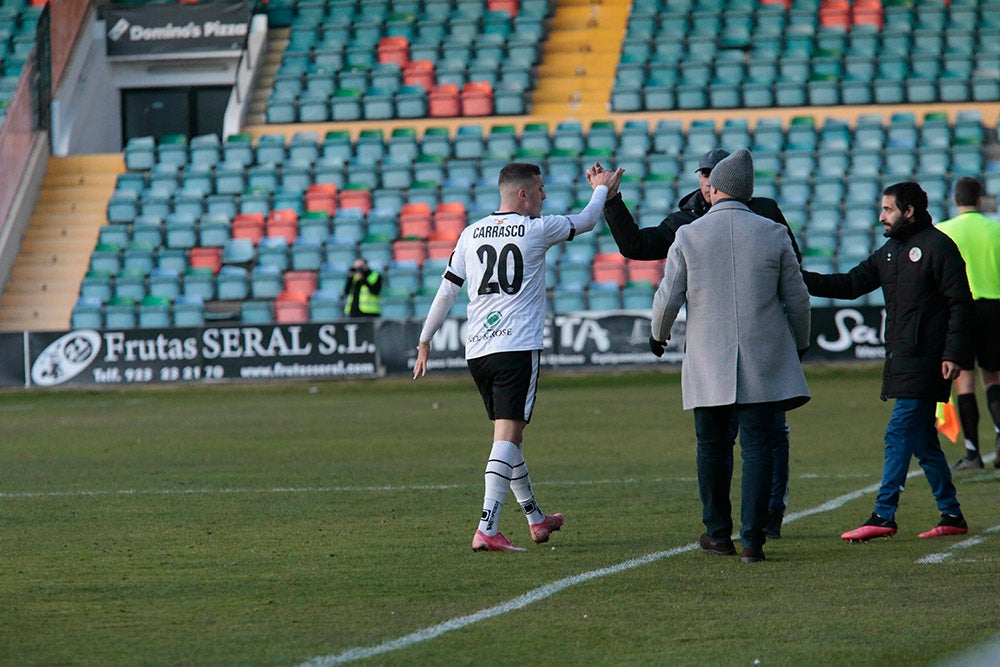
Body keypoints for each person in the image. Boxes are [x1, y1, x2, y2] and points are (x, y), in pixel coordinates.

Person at [587, 148, 799, 539]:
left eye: (711, 173)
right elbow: (635, 246)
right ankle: (742, 529)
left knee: (764, 437)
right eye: (702, 172)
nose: (706, 179)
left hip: (743, 348)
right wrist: (612, 200)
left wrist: (659, 331)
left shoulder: (764, 212)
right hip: (727, 352)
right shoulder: (685, 220)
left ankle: (768, 514)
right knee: (739, 441)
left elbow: (792, 272)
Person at [412, 161, 624, 552]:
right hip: (516, 348)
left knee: (510, 439)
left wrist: (425, 340)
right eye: (540, 189)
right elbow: (590, 220)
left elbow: (447, 291)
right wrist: (602, 188)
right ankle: (487, 527)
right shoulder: (537, 229)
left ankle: (535, 519)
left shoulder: (470, 233)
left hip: (478, 352)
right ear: (523, 193)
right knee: (506, 439)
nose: (544, 196)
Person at [649, 149, 812, 564]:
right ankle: (754, 540)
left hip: (708, 358)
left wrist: (659, 334)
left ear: (716, 189)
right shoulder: (773, 232)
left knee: (712, 447)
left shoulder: (688, 235)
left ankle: (718, 534)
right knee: (758, 447)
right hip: (764, 357)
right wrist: (801, 342)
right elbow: (798, 300)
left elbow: (668, 298)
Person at [801, 181, 974, 542]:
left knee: (898, 433)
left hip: (926, 360)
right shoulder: (891, 252)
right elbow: (849, 284)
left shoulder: (939, 247)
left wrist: (954, 353)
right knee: (923, 440)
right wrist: (796, 279)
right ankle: (952, 514)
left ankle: (883, 514)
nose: (881, 216)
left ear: (908, 211)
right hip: (902, 359)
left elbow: (960, 303)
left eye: (888, 210)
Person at [935, 176, 1000, 470]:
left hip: (958, 309)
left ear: (954, 199)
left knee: (965, 381)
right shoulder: (995, 229)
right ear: (980, 199)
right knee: (993, 377)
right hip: (994, 307)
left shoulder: (942, 231)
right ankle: (999, 437)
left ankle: (973, 452)